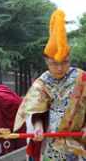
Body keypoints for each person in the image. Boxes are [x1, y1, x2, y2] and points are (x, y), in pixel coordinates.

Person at [14, 9, 86, 161]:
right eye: (54, 64)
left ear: (70, 58)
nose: (60, 68)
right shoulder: (43, 81)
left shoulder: (82, 78)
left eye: (65, 62)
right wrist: (38, 127)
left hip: (78, 142)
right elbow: (38, 112)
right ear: (46, 61)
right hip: (51, 142)